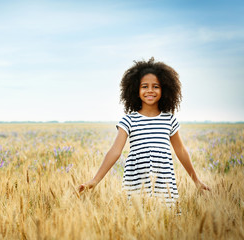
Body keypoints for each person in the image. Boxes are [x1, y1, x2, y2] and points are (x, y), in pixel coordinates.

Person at [78, 57, 210, 205]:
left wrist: (196, 180)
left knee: (165, 221)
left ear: (165, 89)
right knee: (136, 222)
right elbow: (115, 151)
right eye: (144, 86)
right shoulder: (128, 120)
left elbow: (181, 151)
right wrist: (95, 180)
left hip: (164, 182)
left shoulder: (169, 120)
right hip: (136, 183)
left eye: (156, 86)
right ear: (135, 89)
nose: (150, 91)